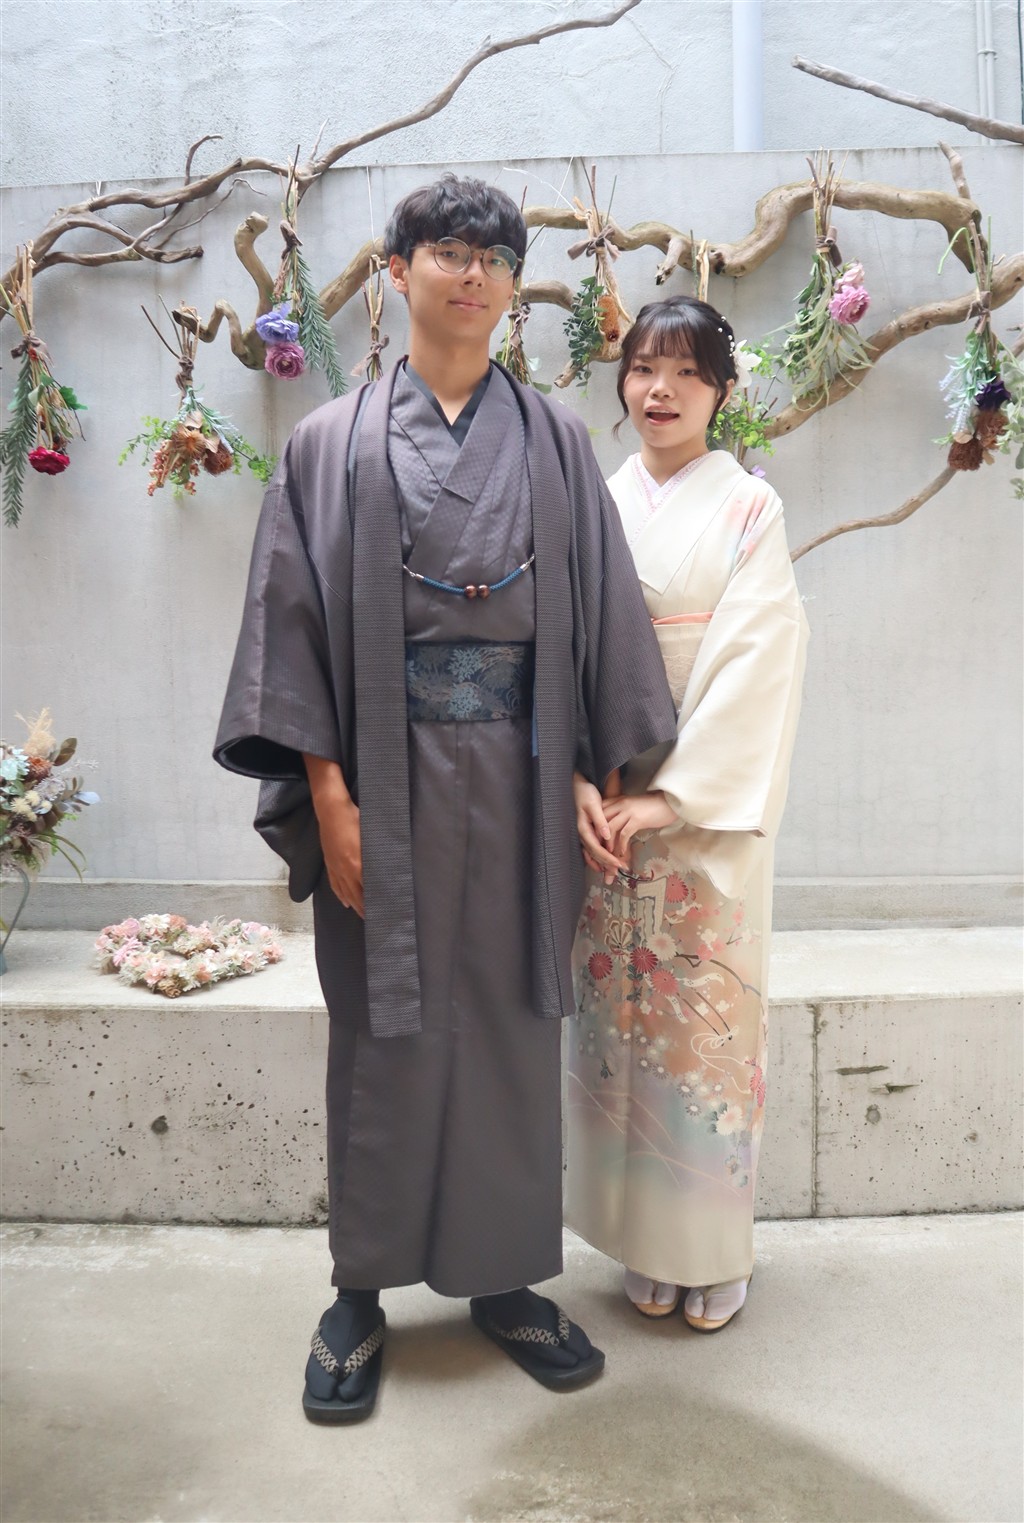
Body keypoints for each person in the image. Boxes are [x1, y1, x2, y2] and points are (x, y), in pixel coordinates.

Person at [213, 175, 678, 1420]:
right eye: (448, 252)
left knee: (513, 1023)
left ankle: (503, 1276)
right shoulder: (328, 442)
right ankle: (358, 1292)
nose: (472, 275)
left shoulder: (556, 442)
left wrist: (594, 772)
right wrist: (329, 797)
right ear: (398, 269)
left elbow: (598, 621)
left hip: (524, 777)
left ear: (513, 286)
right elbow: (292, 629)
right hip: (382, 776)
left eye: (494, 257)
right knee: (383, 1025)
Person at [566, 295, 808, 1331]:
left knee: (702, 1031)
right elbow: (556, 646)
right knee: (615, 1033)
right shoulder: (594, 499)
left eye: (687, 373)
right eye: (641, 368)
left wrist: (673, 793)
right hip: (605, 806)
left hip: (699, 811)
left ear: (721, 391)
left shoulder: (750, 506)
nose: (659, 390)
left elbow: (759, 656)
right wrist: (580, 777)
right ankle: (639, 1238)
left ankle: (709, 1246)